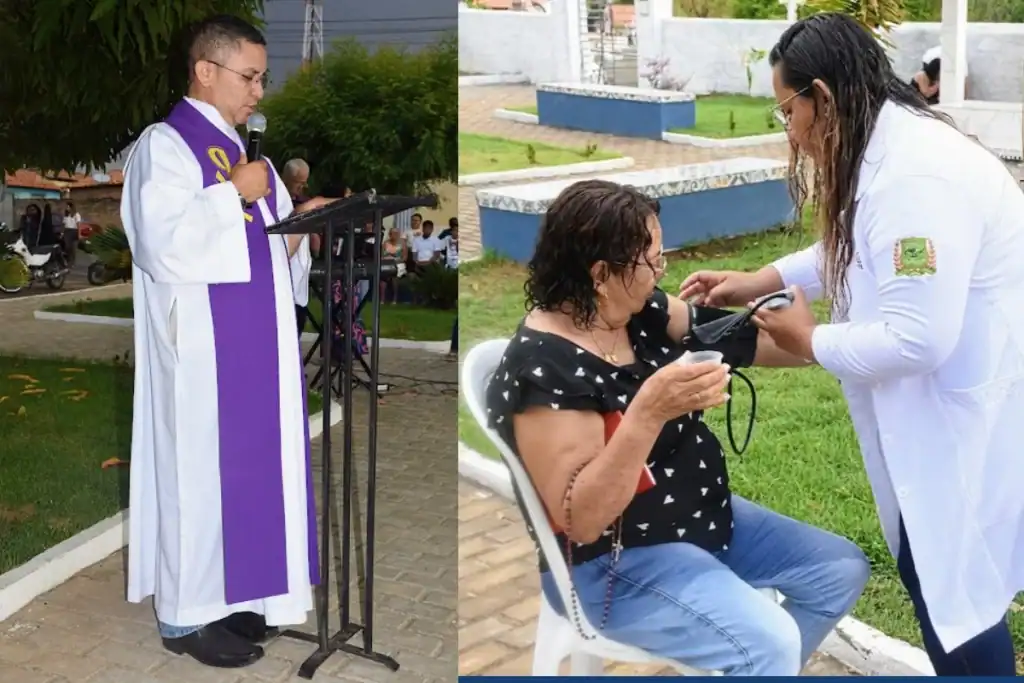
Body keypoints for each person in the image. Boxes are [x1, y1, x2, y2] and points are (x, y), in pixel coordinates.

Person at [680, 13, 1024, 675]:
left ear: (824, 98)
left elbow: (918, 338)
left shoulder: (915, 177)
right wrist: (766, 276)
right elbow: (857, 238)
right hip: (947, 404)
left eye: (787, 110)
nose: (790, 130)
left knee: (953, 590)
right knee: (939, 572)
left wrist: (811, 339)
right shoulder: (887, 147)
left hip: (966, 406)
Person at [486, 179, 870, 676]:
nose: (660, 271)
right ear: (602, 273)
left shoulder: (634, 311)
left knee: (837, 571)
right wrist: (647, 413)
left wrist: (814, 339)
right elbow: (582, 518)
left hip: (699, 518)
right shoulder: (546, 369)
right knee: (768, 642)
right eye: (652, 260)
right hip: (613, 566)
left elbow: (741, 340)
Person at [120, 15, 333, 670]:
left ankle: (233, 596)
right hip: (200, 359)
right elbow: (162, 244)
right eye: (249, 76)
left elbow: (263, 257)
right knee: (197, 479)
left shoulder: (250, 159)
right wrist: (230, 196)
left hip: (256, 353)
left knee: (244, 476)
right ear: (205, 71)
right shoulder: (166, 146)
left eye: (263, 78)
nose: (258, 92)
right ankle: (185, 614)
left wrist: (298, 228)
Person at [61, 202, 81, 267]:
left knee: (73, 248)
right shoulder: (66, 215)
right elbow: (64, 224)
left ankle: (72, 262)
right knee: (67, 247)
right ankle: (68, 260)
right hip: (67, 231)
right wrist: (62, 232)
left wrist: (79, 234)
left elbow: (78, 225)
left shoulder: (76, 215)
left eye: (68, 207)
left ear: (71, 207)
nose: (67, 208)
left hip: (74, 231)